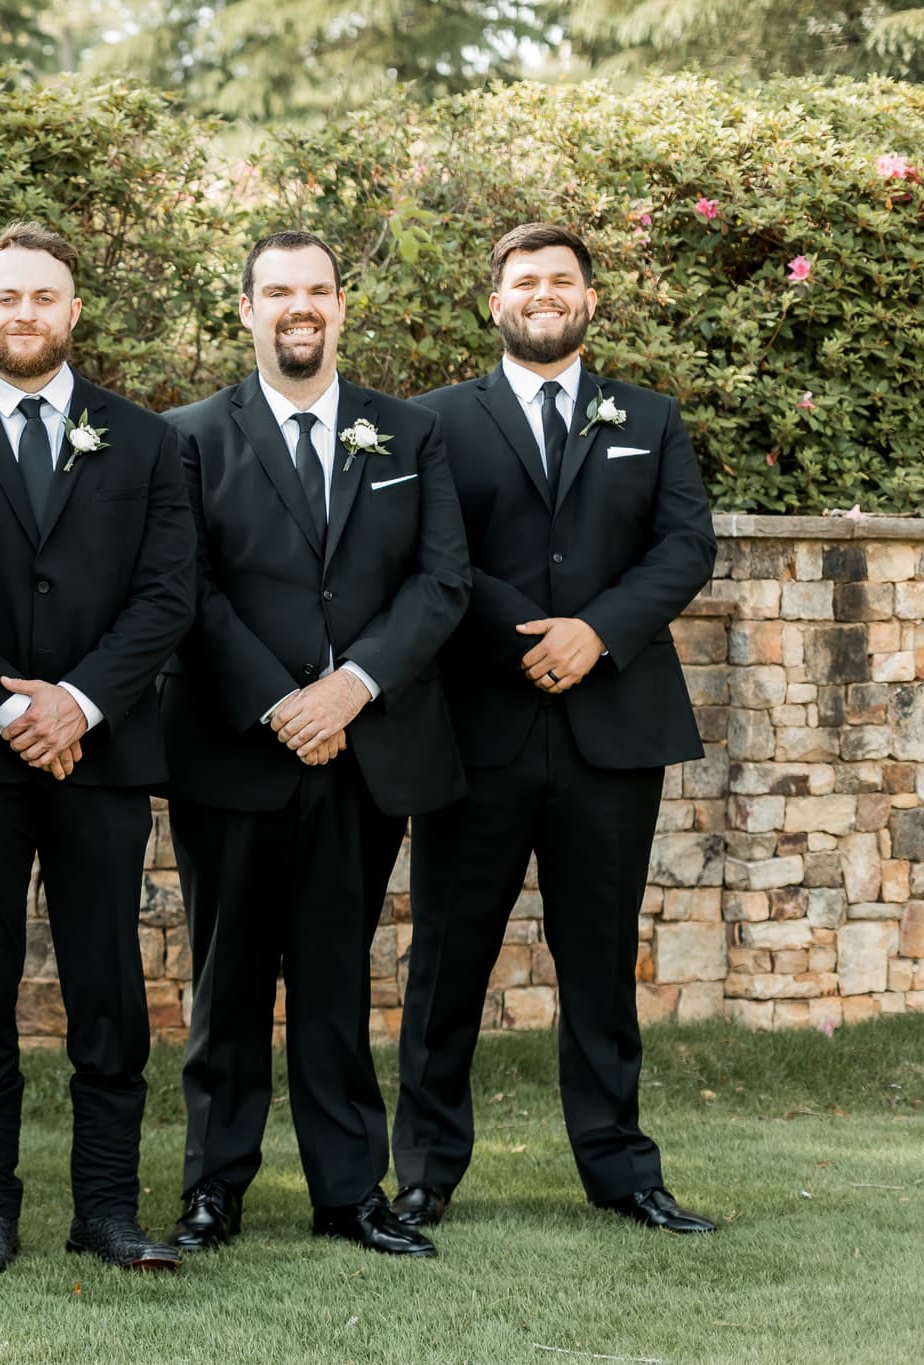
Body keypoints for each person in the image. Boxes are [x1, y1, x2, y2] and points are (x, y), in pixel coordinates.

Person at [391, 222, 719, 1236]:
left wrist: (595, 634)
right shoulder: (434, 421)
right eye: (524, 280)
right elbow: (430, 551)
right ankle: (425, 1171)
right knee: (446, 957)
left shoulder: (648, 418)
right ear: (493, 302)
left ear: (587, 300)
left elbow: (682, 547)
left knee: (598, 957)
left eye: (560, 279)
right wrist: (524, 635)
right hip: (478, 721)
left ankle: (620, 1171)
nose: (543, 293)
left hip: (608, 724)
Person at [160, 231, 469, 1257]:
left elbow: (439, 583)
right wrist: (278, 702)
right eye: (277, 291)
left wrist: (348, 689)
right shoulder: (187, 438)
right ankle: (213, 1187)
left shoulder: (409, 435)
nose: (300, 307)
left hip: (365, 747)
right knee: (227, 979)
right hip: (234, 750)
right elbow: (185, 592)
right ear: (244, 309)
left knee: (337, 977)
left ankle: (347, 1193)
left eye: (317, 291)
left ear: (341, 307)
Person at [0, 222, 193, 1275]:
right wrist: (11, 711)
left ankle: (106, 1210)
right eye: (4, 297)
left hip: (102, 759)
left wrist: (77, 703)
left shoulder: (148, 441)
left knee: (107, 988)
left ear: (73, 313)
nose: (23, 314)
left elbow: (168, 594)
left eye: (43, 297)